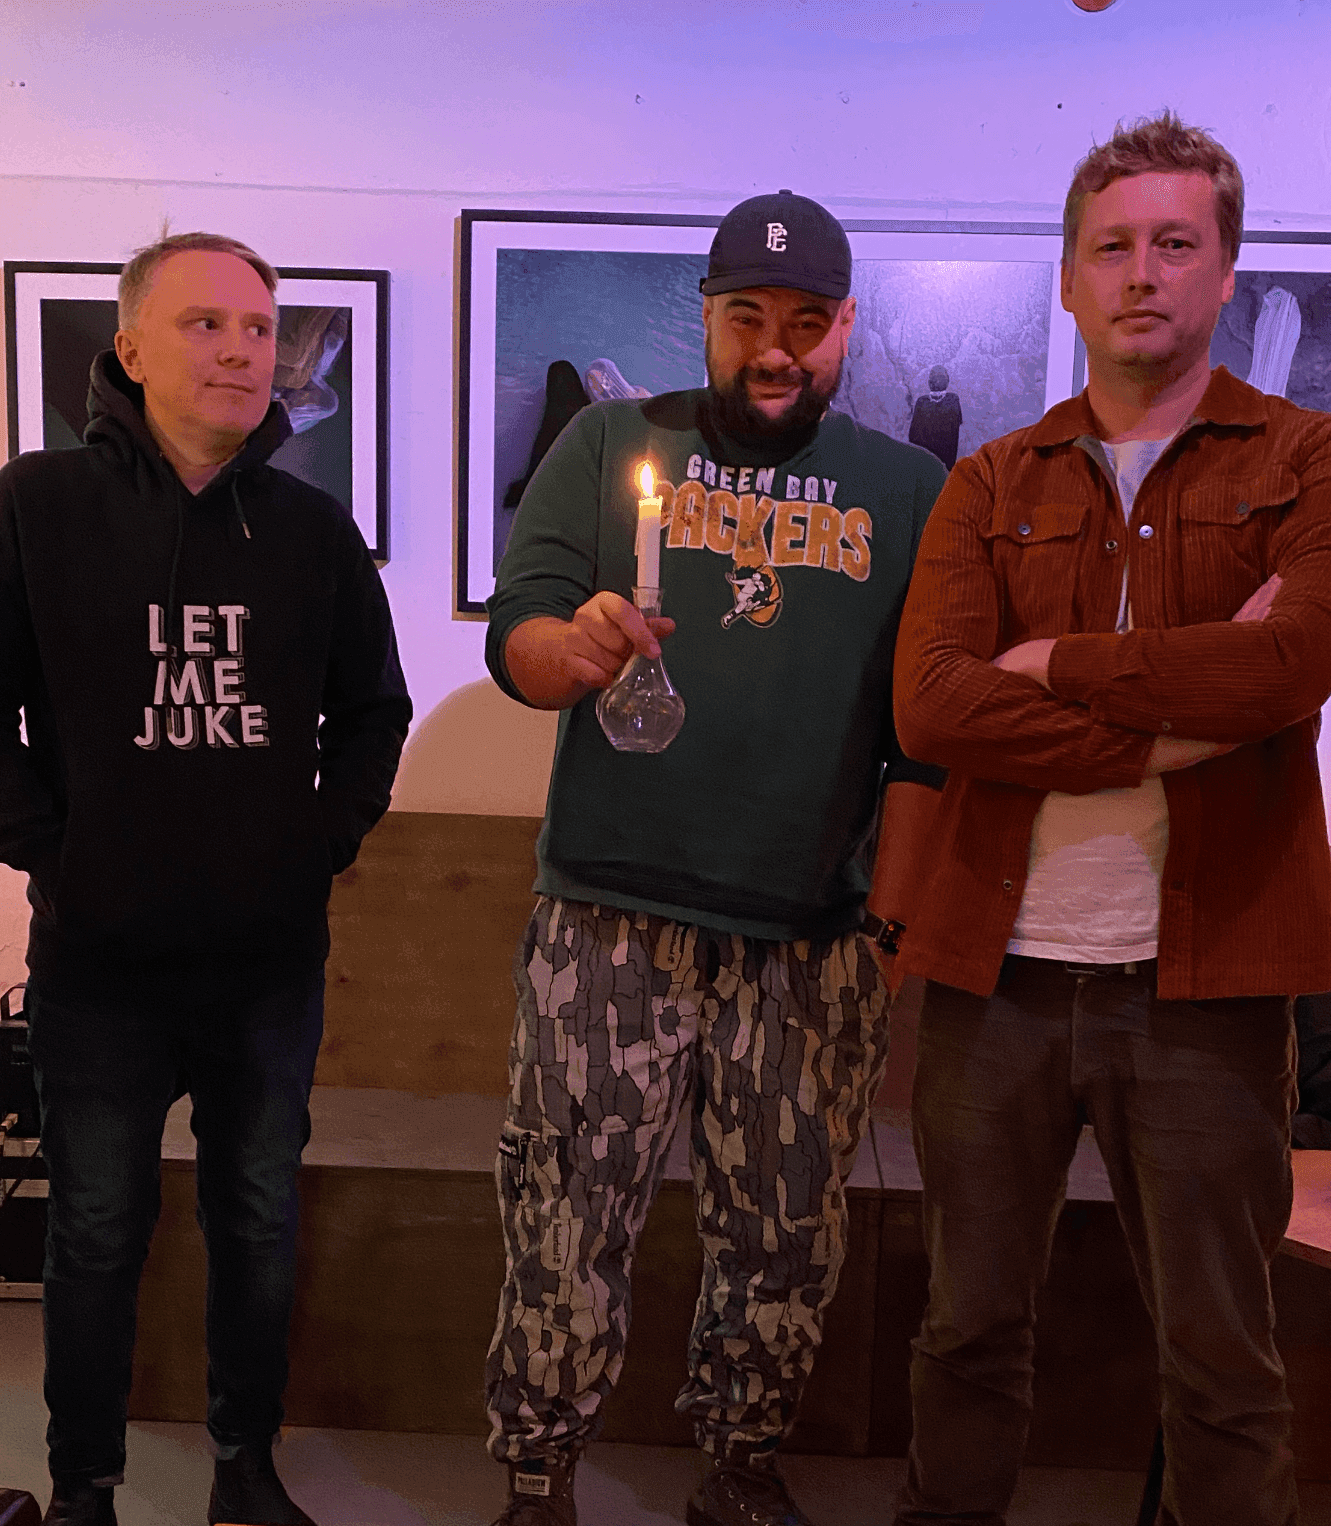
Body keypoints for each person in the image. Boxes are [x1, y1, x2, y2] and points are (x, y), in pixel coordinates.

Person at [889, 113, 1331, 1526]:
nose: (1142, 272)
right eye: (1112, 246)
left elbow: (1291, 665)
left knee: (1222, 1360)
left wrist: (1054, 663)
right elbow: (933, 706)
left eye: (1175, 243)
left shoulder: (1317, 458)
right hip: (993, 977)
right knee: (965, 1331)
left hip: (1209, 986)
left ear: (1225, 270)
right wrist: (1184, 724)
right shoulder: (989, 480)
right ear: (1069, 278)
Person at [0, 232, 412, 1526]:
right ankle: (82, 1482)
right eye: (207, 324)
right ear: (132, 348)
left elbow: (374, 710)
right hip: (101, 966)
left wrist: (318, 842)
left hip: (266, 965)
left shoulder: (311, 531)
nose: (244, 349)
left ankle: (245, 1468)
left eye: (259, 327)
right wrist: (47, 847)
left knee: (256, 1220)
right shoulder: (36, 506)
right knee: (95, 1227)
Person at [482, 190, 946, 1526]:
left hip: (810, 931)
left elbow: (927, 739)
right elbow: (518, 633)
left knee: (785, 1231)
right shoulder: (607, 442)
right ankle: (538, 1474)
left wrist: (888, 928)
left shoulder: (911, 492)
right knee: (564, 1210)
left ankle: (739, 1463)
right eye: (747, 315)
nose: (775, 347)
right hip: (608, 916)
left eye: (806, 320)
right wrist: (569, 650)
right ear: (706, 315)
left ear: (845, 326)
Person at [907, 365, 963, 471]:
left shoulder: (951, 400)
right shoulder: (952, 400)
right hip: (935, 458)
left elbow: (913, 435)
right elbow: (914, 434)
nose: (937, 382)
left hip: (935, 457)